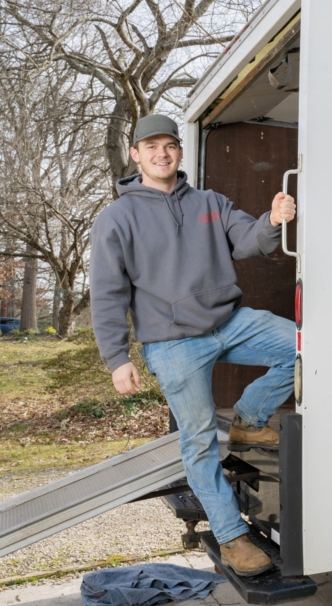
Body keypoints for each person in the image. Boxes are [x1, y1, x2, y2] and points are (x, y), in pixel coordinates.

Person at [90, 114, 297, 577]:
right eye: (151, 147)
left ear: (180, 152)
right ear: (136, 154)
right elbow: (107, 292)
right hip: (172, 341)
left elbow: (248, 239)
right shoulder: (117, 218)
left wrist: (272, 220)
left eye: (169, 145)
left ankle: (248, 419)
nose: (161, 153)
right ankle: (232, 538)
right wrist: (117, 359)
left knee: (303, 347)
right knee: (200, 441)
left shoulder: (209, 202)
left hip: (228, 321)